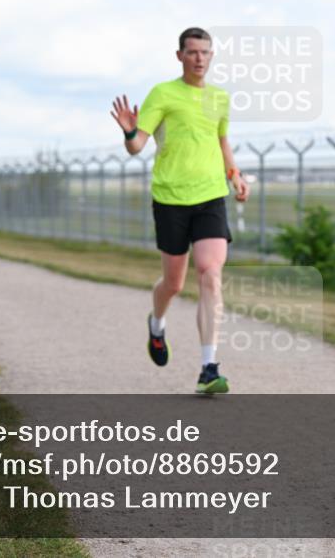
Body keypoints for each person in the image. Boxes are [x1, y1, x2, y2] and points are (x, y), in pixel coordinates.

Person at [111, 27, 250, 394]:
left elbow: (221, 142)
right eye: (192, 52)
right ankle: (156, 324)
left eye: (205, 52)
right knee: (172, 284)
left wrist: (234, 176)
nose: (200, 58)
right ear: (180, 56)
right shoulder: (163, 94)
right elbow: (137, 145)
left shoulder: (220, 98)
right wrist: (129, 132)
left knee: (210, 272)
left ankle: (209, 367)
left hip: (209, 197)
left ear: (211, 55)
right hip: (170, 198)